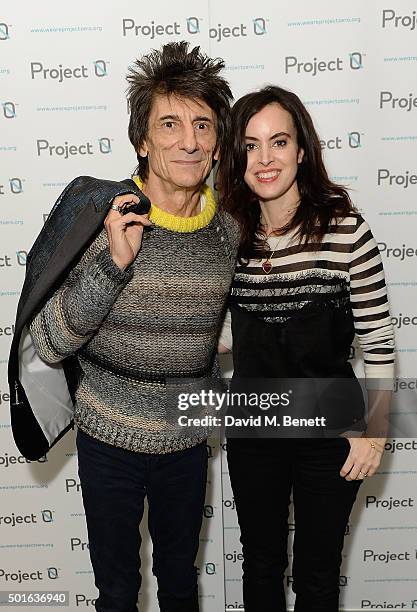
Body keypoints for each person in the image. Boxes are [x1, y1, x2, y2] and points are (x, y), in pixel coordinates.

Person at [23, 42, 239, 612]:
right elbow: (48, 342)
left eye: (202, 124)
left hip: (187, 444)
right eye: (169, 124)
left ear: (218, 143)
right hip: (108, 443)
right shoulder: (106, 219)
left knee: (180, 587)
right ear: (142, 141)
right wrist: (112, 266)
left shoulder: (231, 231)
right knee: (117, 592)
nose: (188, 140)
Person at [218, 86, 395, 611]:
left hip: (331, 431)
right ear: (237, 156)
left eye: (278, 142)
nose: (265, 158)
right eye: (250, 145)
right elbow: (229, 335)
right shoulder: (229, 235)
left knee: (317, 576)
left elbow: (379, 340)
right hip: (254, 426)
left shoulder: (345, 230)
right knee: (261, 566)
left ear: (301, 150)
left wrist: (376, 433)